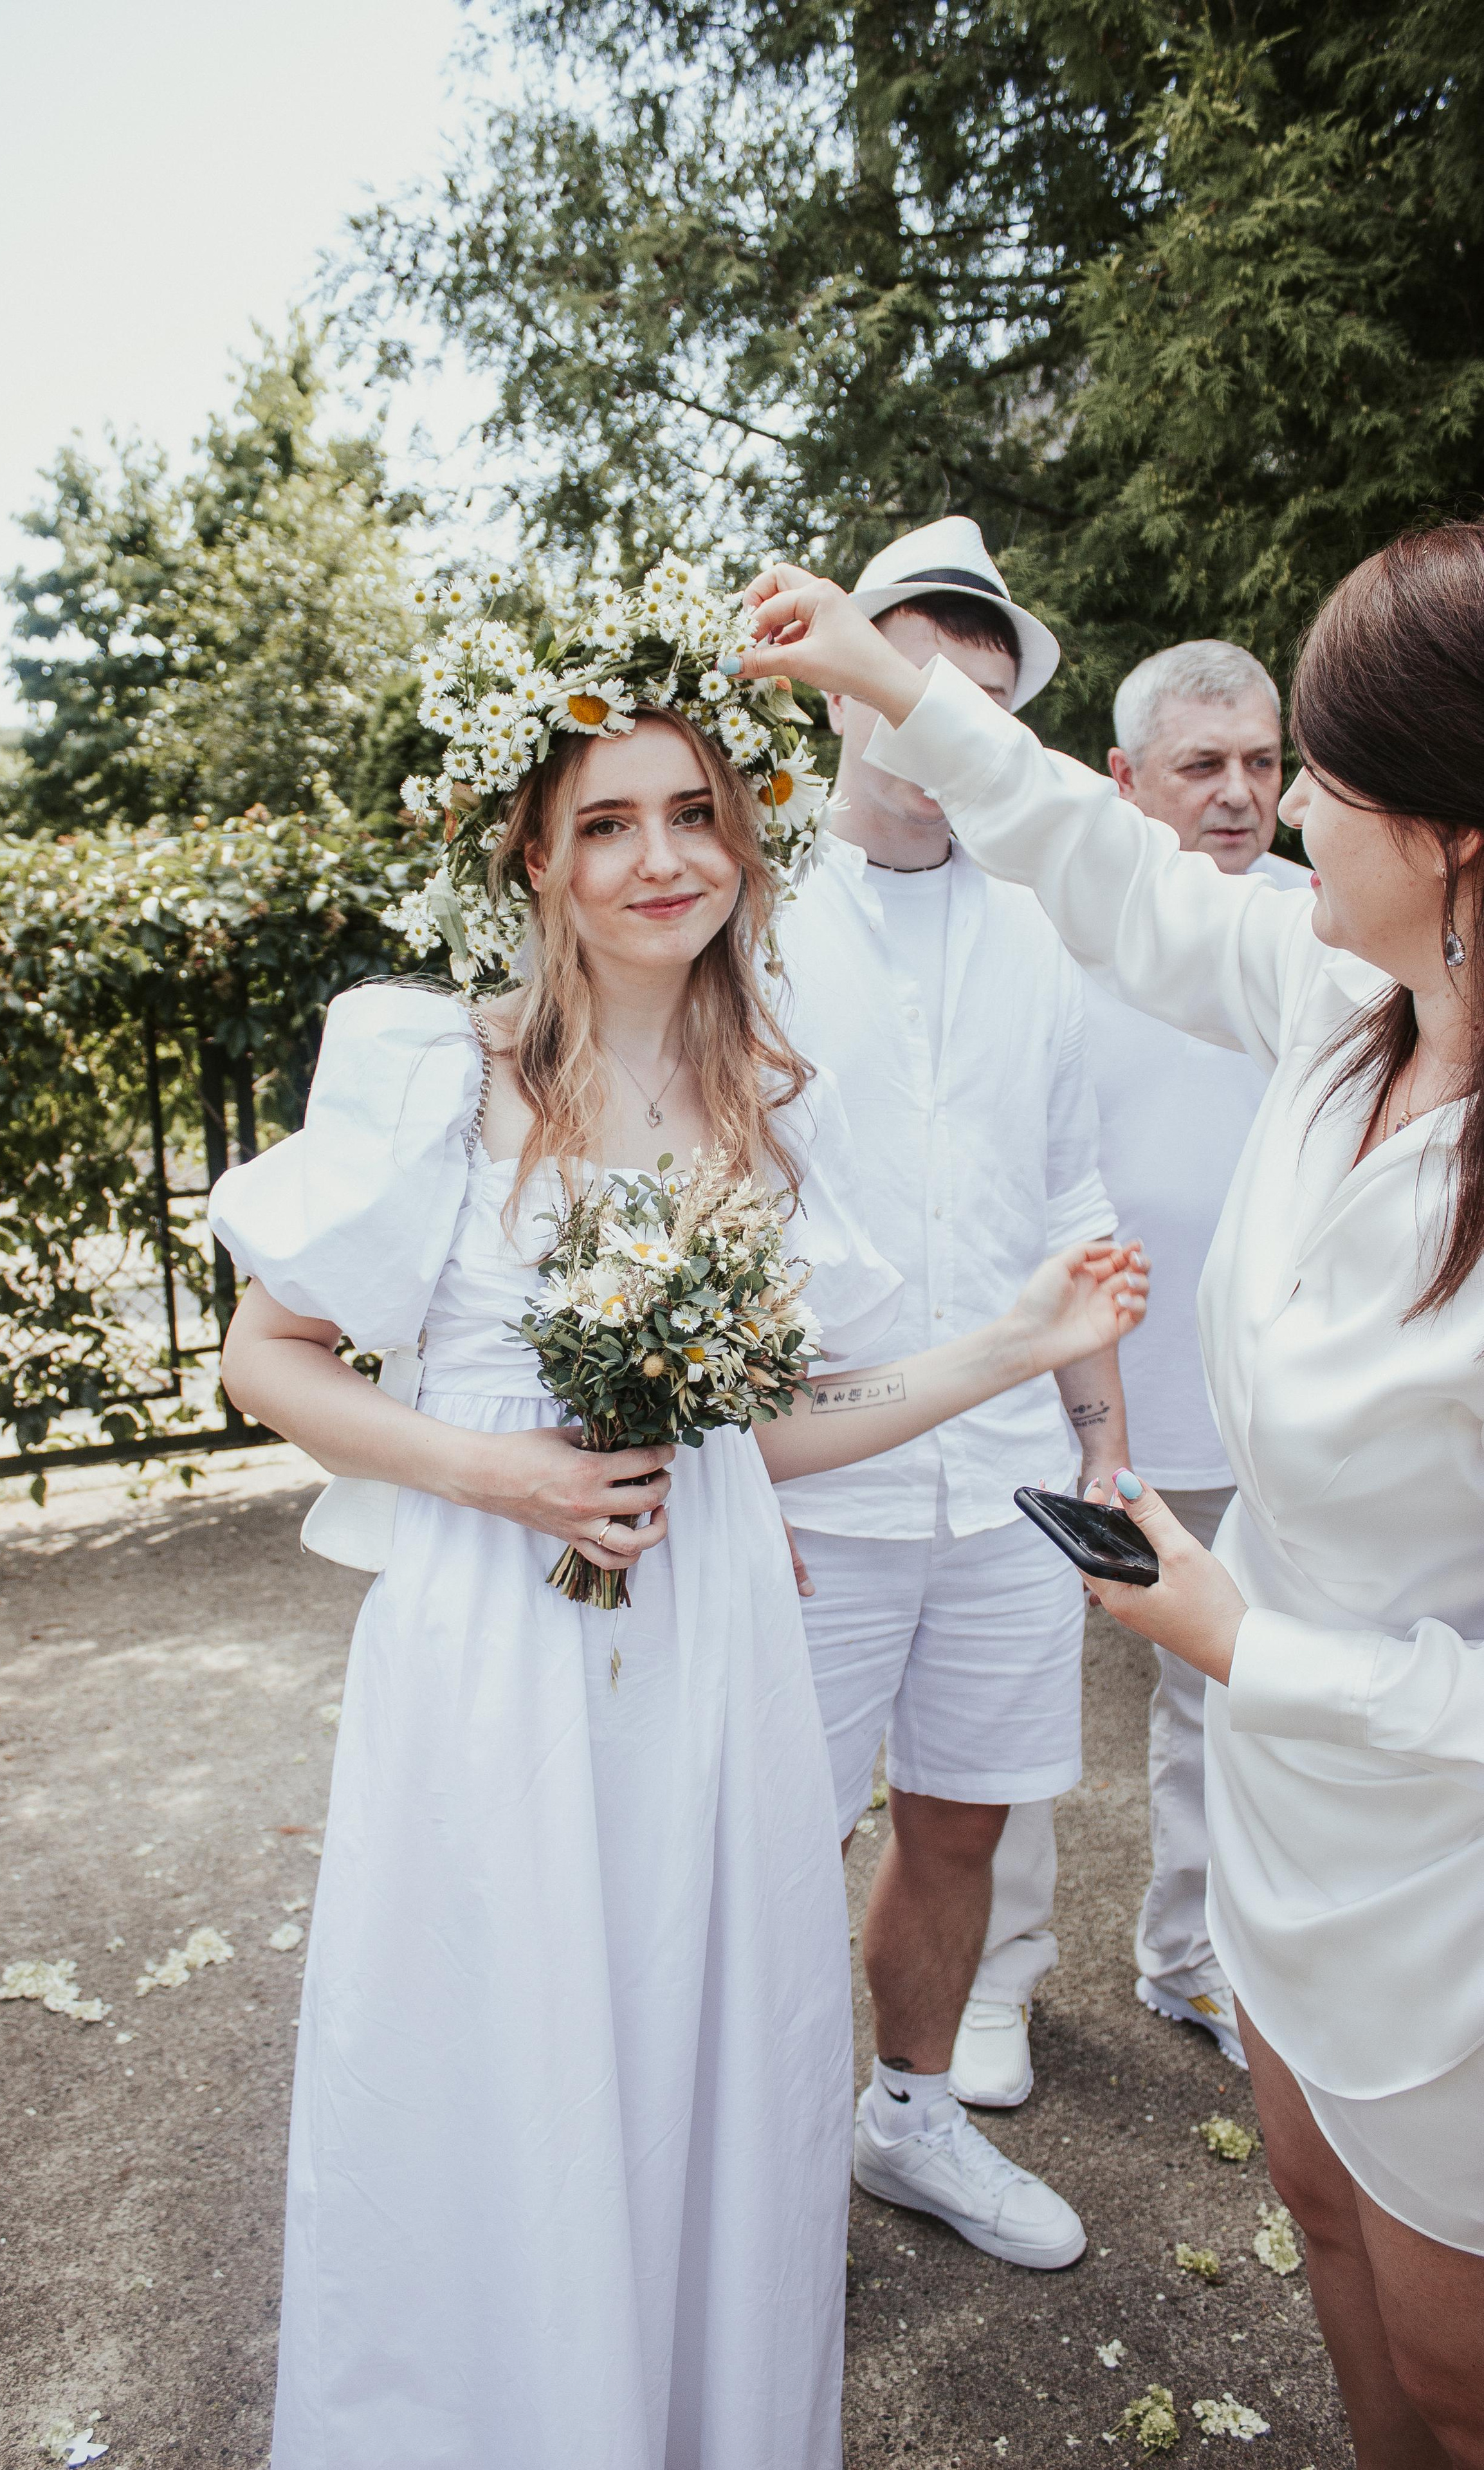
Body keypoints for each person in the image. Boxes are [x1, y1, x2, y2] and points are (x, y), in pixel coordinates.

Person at [206, 571, 1148, 2470]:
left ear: (743, 833)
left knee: (698, 2043)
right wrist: (507, 1473)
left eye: (695, 813)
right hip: (501, 1652)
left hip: (709, 1641)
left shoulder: (754, 1100)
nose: (663, 860)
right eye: (609, 824)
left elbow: (760, 1440)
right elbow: (267, 1361)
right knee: (513, 2057)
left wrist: (1012, 1348)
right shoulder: (440, 1071)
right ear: (539, 862)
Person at [730, 524, 1484, 2465]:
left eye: (1323, 772)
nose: (1277, 806)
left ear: (1457, 838)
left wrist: (1241, 1636)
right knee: (1320, 2223)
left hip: (1453, 1883)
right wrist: (885, 682)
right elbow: (1104, 857)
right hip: (1296, 1850)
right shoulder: (1348, 1023)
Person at [772, 515, 1130, 2269]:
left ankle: (910, 2124)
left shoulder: (1045, 933)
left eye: (981, 705)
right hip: (805, 1483)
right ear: (847, 696)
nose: (944, 732)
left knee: (964, 1819)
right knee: (765, 1837)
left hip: (1002, 1481)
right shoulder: (744, 925)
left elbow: (1076, 1200)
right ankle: (745, 2158)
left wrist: (1107, 1448)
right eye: (915, 690)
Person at [1095, 641, 1306, 2067]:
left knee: (1223, 1703)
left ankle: (1193, 1958)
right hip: (1080, 1390)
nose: (1237, 794)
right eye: (1199, 765)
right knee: (990, 1726)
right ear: (1123, 781)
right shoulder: (1069, 921)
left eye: (1258, 761)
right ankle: (993, 1988)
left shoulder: (1331, 919)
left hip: (1258, 1410)